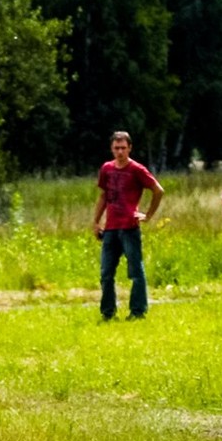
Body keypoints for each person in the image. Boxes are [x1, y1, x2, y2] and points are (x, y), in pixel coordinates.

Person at [92, 130, 164, 320]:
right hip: (110, 228)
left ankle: (138, 311)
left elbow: (158, 190)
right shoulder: (106, 169)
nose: (120, 152)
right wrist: (96, 221)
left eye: (123, 148)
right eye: (116, 148)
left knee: (135, 271)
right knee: (106, 273)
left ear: (130, 148)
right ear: (111, 148)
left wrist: (148, 215)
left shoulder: (137, 169)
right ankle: (108, 312)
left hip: (129, 227)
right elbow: (103, 196)